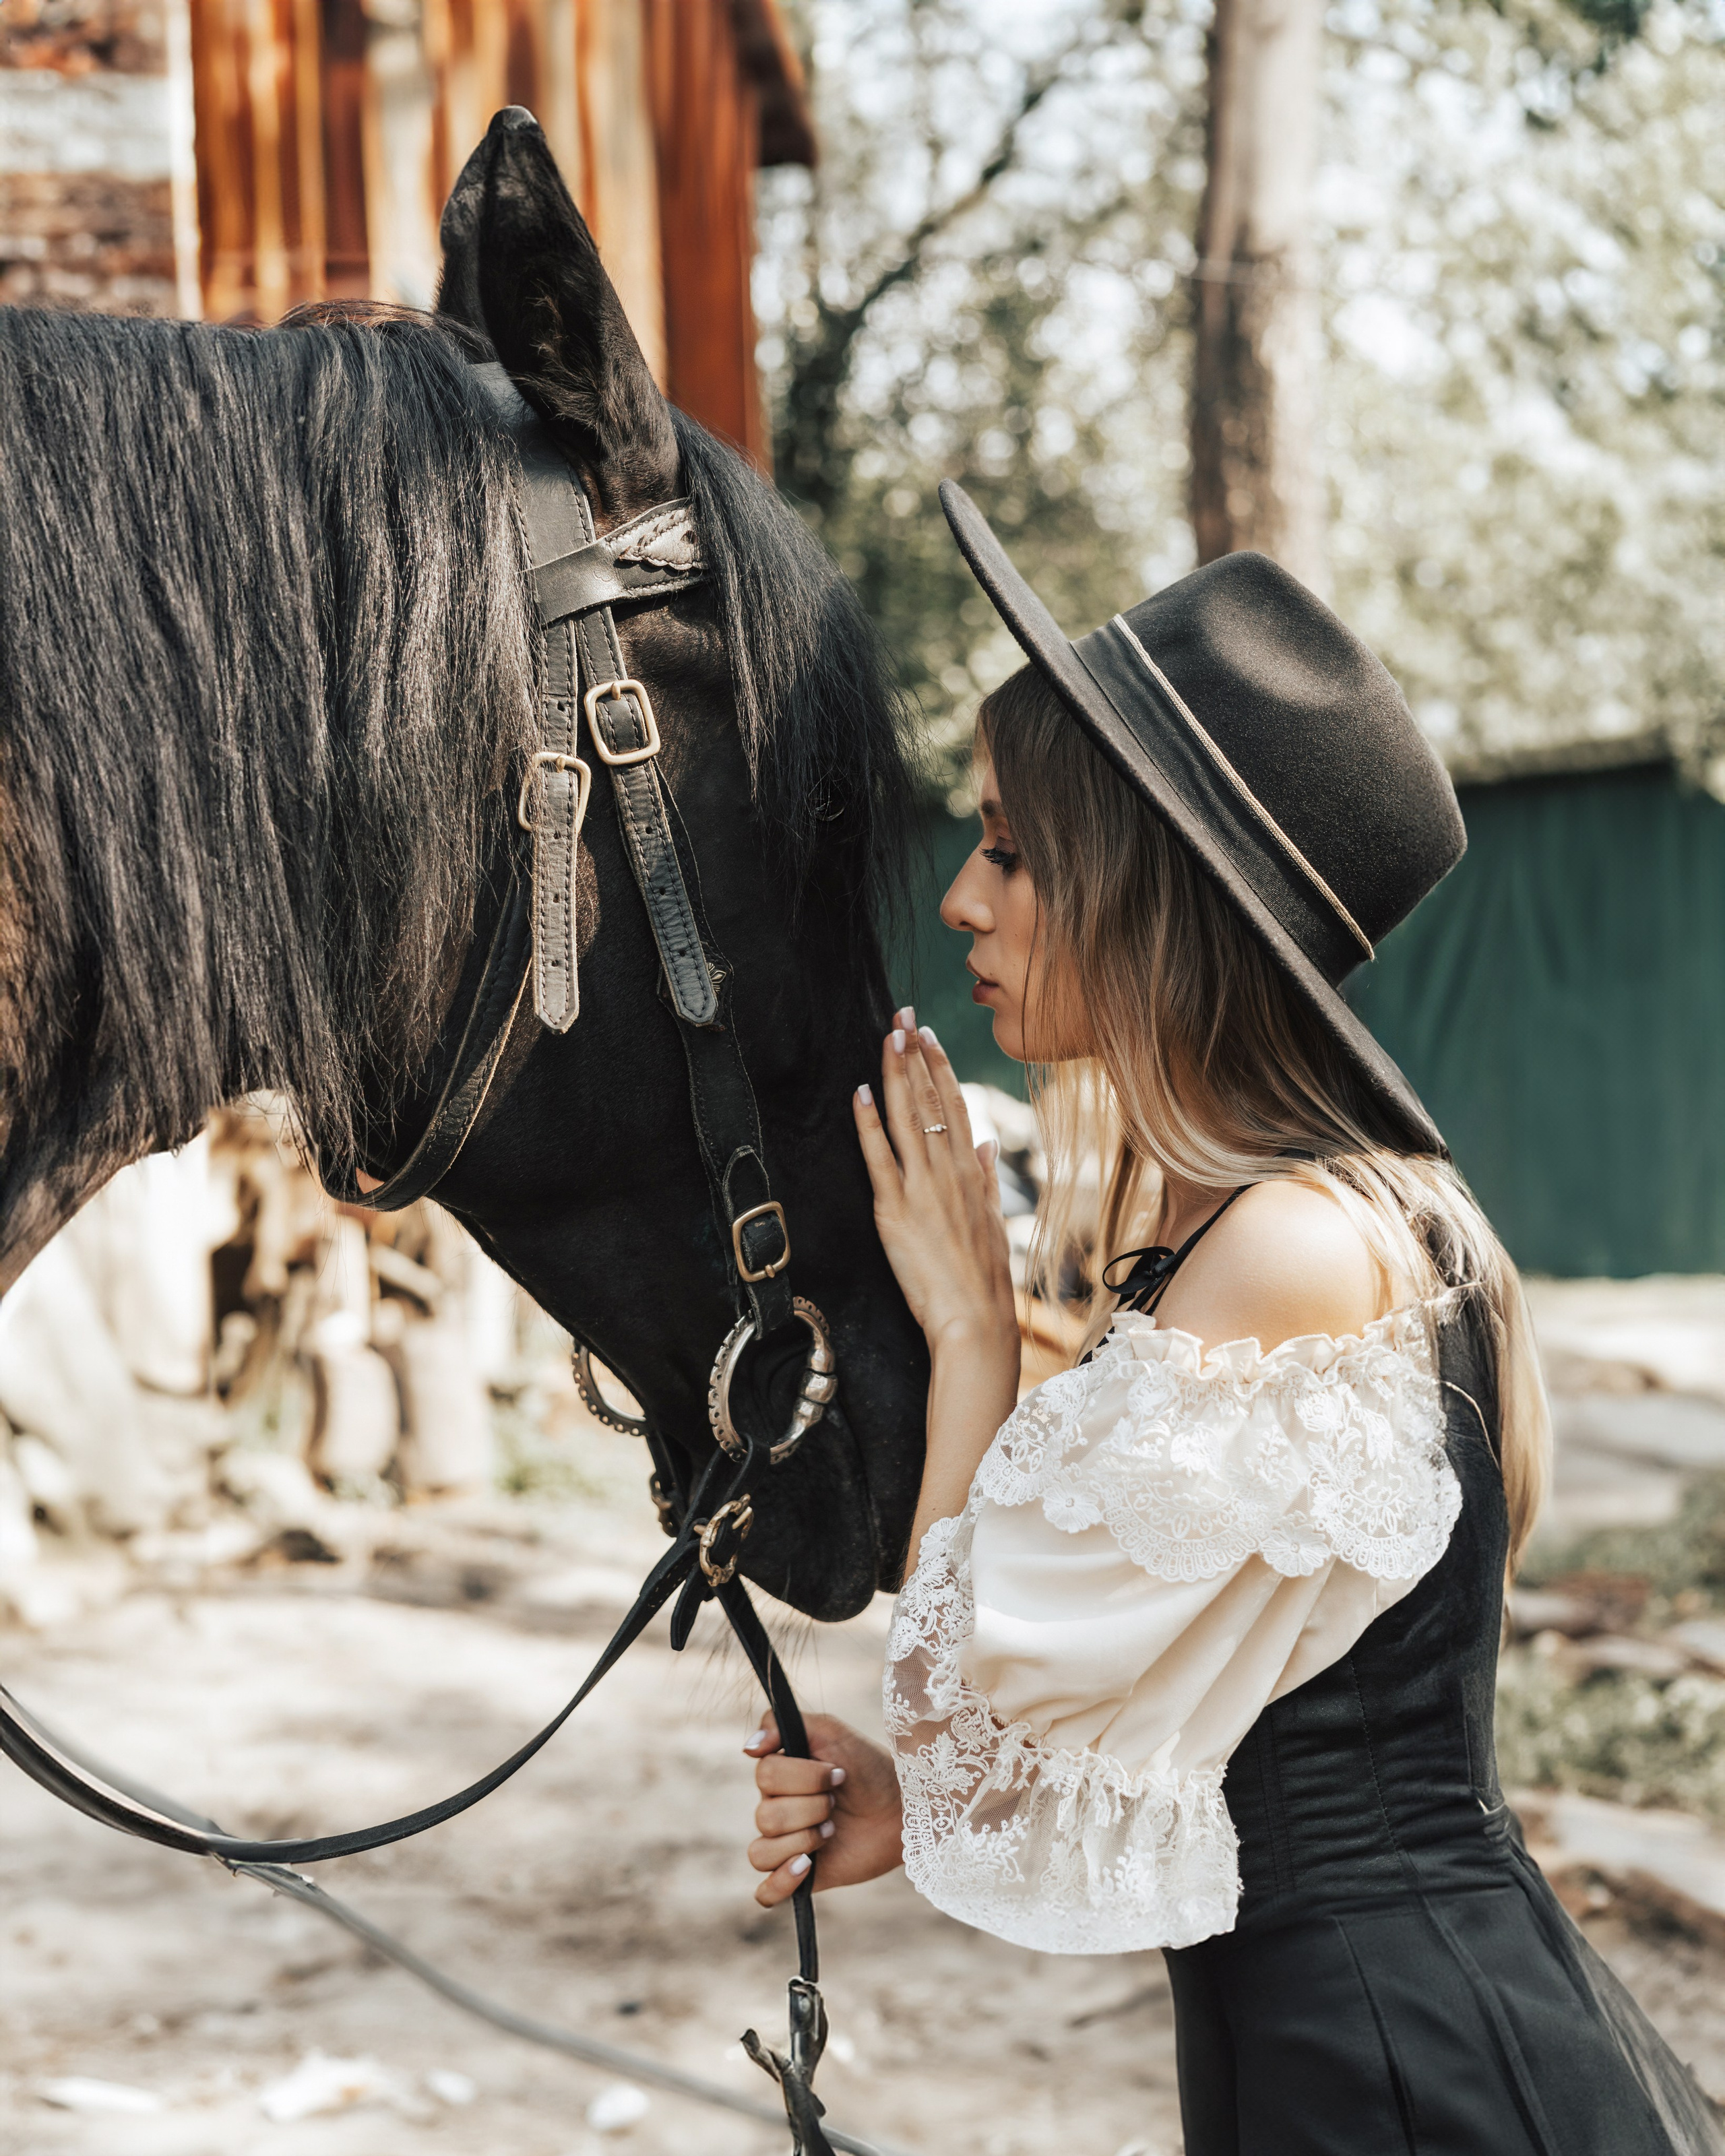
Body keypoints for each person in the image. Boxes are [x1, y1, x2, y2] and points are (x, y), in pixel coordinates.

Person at [739, 483, 1725, 2155]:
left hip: (1397, 2077)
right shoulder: (1303, 1218)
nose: (963, 899)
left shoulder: (1294, 1248)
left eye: (1011, 847)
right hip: (1358, 2048)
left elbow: (973, 1685)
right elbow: (1184, 1714)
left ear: (1147, 896)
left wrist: (973, 1334)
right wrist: (909, 1799)